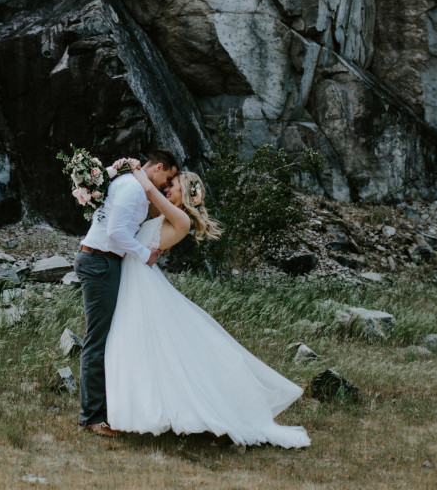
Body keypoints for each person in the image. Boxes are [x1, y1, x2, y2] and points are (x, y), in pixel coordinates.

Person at [104, 170, 310, 448]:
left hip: (142, 282)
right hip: (137, 279)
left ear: (185, 193)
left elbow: (150, 193)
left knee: (151, 346)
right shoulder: (163, 216)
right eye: (167, 184)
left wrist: (135, 169)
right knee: (143, 348)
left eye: (173, 185)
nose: (166, 188)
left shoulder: (181, 219)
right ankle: (142, 408)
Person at [74, 149, 179, 438]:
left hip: (101, 260)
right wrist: (146, 254)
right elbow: (116, 233)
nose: (164, 186)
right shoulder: (133, 189)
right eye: (166, 179)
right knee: (97, 340)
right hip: (100, 261)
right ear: (158, 167)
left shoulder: (127, 182)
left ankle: (104, 410)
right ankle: (93, 417)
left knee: (105, 338)